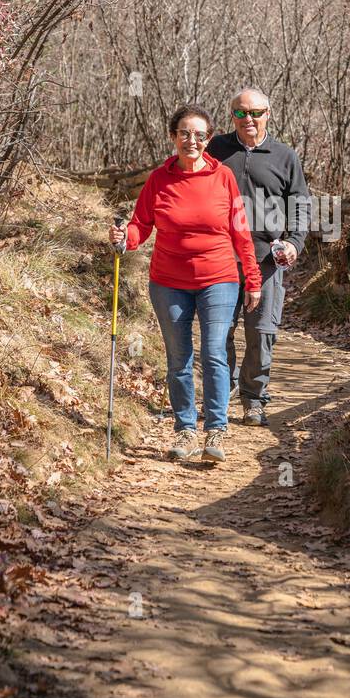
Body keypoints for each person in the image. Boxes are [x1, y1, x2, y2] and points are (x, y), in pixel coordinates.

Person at [109, 104, 261, 463]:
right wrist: (123, 238)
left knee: (213, 354)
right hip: (168, 281)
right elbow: (140, 226)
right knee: (179, 359)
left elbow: (241, 232)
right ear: (173, 137)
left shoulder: (223, 178)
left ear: (208, 139)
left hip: (218, 278)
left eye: (199, 134)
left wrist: (252, 278)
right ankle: (185, 429)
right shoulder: (159, 180)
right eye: (184, 133)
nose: (190, 140)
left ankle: (216, 430)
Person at [207, 86, 311, 426]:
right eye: (240, 112)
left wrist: (294, 242)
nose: (248, 119)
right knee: (219, 331)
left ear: (268, 114)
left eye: (255, 113)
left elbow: (300, 205)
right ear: (232, 115)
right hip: (219, 257)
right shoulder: (215, 149)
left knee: (261, 332)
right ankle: (223, 393)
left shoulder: (285, 156)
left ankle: (254, 398)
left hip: (266, 259)